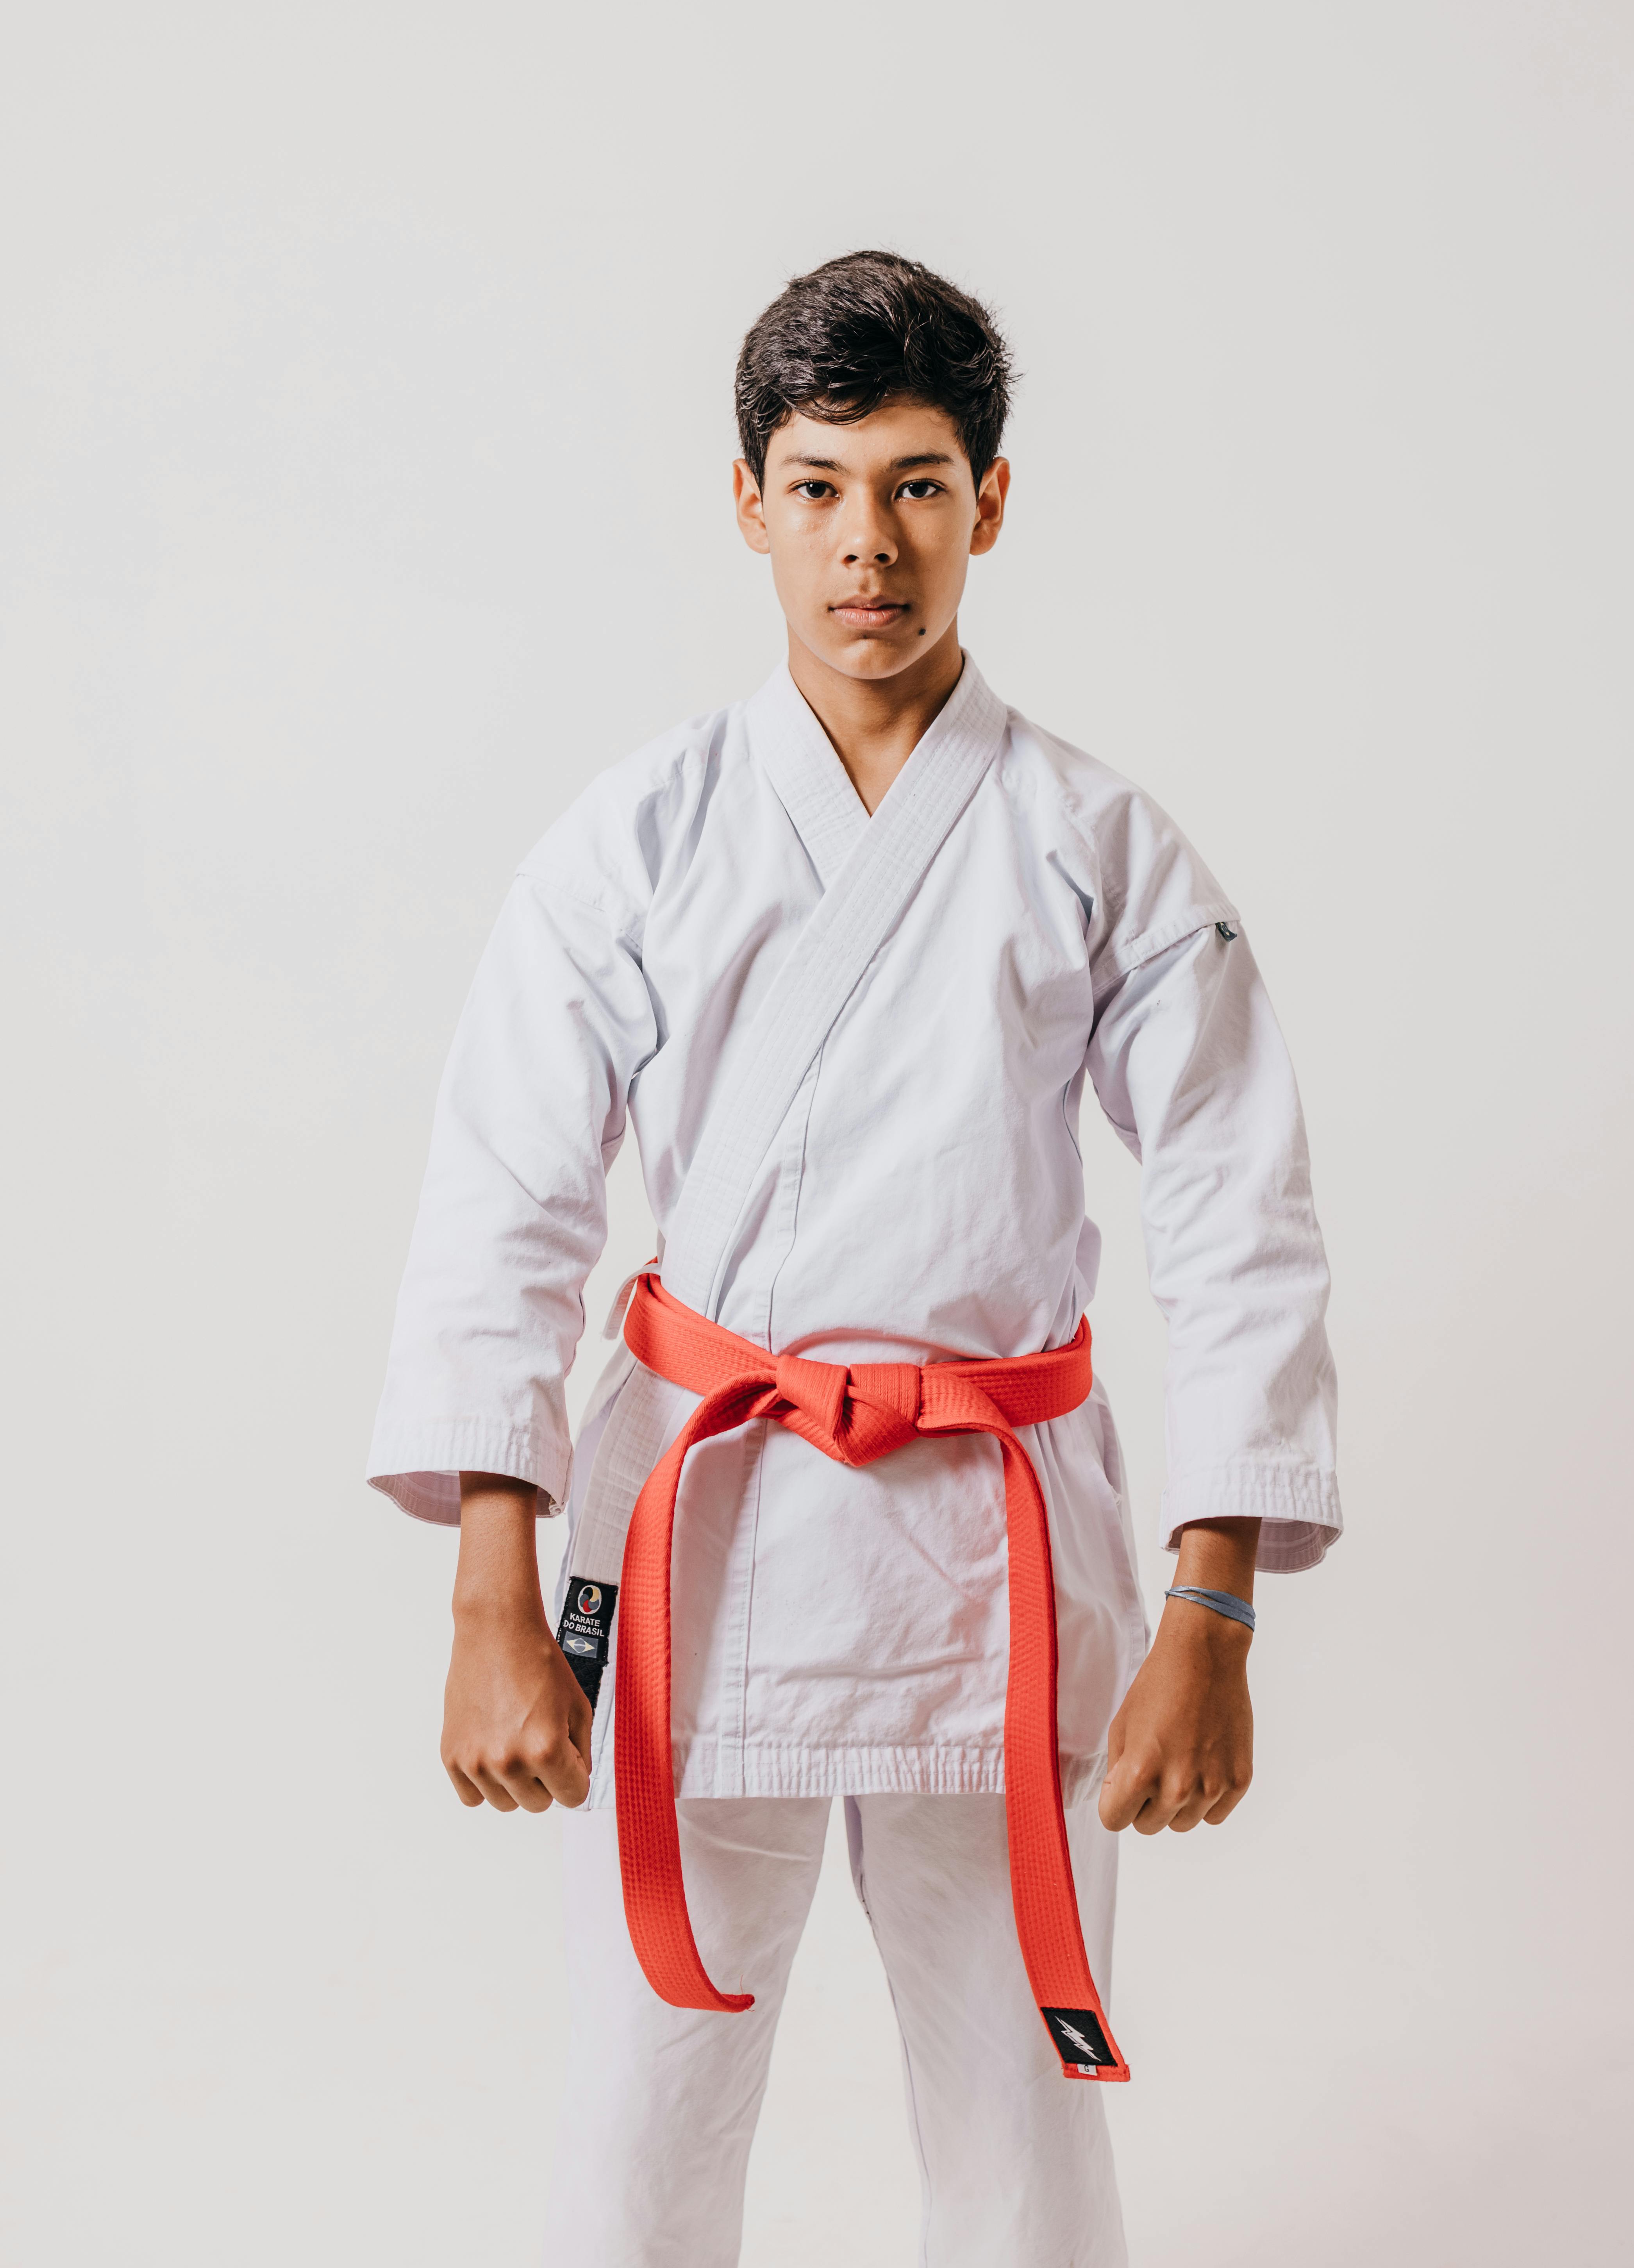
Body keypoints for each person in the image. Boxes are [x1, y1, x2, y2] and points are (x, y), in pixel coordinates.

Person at [367, 250, 1341, 2267]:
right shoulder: (637, 838)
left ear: (993, 500)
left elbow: (1239, 1216)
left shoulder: (1100, 847)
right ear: (747, 501)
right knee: (639, 2132)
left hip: (996, 1576)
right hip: (705, 1554)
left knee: (1023, 2143)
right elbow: (509, 1200)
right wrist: (487, 1583)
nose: (865, 548)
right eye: (817, 487)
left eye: (913, 485)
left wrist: (1216, 1611)